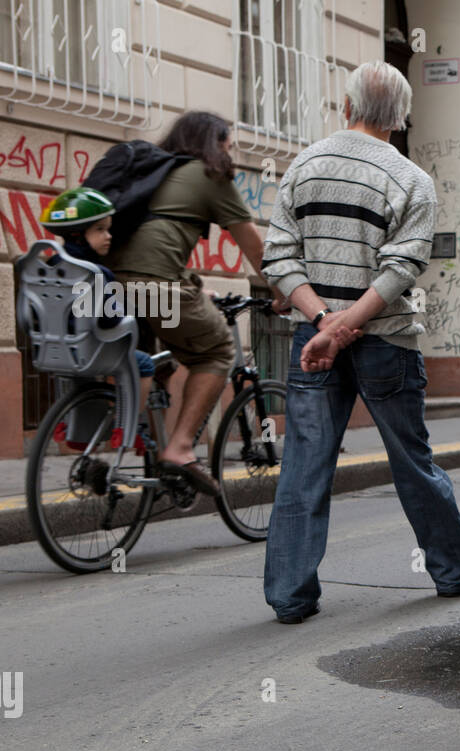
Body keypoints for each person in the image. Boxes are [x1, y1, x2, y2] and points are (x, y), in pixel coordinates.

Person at [261, 60, 460, 624]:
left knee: (303, 464)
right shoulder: (412, 179)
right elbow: (401, 269)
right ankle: (455, 571)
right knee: (412, 461)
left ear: (345, 108)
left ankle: (291, 596)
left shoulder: (305, 164)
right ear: (403, 118)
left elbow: (279, 256)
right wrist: (346, 326)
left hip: (312, 341)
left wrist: (323, 322)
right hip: (387, 342)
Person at [105, 111, 287, 497]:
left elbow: (150, 244)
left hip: (107, 288)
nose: (231, 151)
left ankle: (158, 454)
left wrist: (189, 288)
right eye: (229, 143)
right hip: (153, 289)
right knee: (217, 349)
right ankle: (180, 448)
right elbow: (252, 244)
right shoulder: (209, 174)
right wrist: (281, 291)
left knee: (169, 360)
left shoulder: (153, 171)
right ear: (213, 143)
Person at [38, 186, 154, 412]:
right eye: (100, 229)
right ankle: (129, 425)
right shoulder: (96, 273)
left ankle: (76, 429)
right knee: (145, 363)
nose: (108, 236)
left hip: (52, 350)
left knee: (81, 375)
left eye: (108, 229)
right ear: (77, 234)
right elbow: (111, 321)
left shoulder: (48, 268)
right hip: (90, 351)